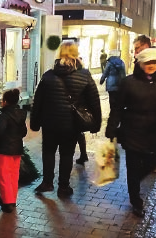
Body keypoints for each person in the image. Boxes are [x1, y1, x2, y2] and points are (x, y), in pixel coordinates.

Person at [105, 48, 156, 217]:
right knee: (132, 167)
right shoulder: (128, 82)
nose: (151, 65)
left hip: (154, 131)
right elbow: (117, 107)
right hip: (132, 131)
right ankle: (135, 200)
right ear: (140, 64)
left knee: (151, 163)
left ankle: (134, 182)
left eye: (154, 62)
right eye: (148, 63)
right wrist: (111, 127)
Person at [30, 42, 102, 197]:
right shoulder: (84, 75)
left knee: (48, 152)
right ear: (76, 54)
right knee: (67, 154)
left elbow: (38, 102)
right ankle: (63, 187)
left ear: (59, 54)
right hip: (72, 125)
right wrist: (96, 123)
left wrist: (34, 123)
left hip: (50, 123)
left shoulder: (48, 75)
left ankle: (47, 183)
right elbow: (94, 101)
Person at [132, 35, 156, 173]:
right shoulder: (140, 60)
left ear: (146, 45)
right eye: (135, 48)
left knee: (155, 134)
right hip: (141, 106)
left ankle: (155, 163)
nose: (136, 51)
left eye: (138, 48)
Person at [0, 88, 27, 213]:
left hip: (5, 149)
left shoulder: (5, 115)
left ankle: (7, 202)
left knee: (4, 175)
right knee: (14, 175)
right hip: (17, 149)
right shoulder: (21, 114)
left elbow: (0, 131)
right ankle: (12, 199)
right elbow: (24, 132)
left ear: (6, 101)